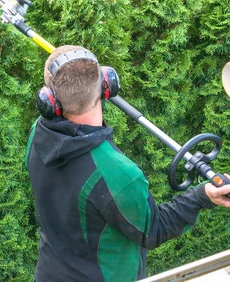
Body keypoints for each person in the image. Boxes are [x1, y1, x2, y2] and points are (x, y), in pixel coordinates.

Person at [25, 44, 230, 282]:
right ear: (107, 85)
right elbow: (153, 229)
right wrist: (202, 196)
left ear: (49, 101)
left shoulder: (39, 134)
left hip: (49, 274)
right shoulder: (118, 173)